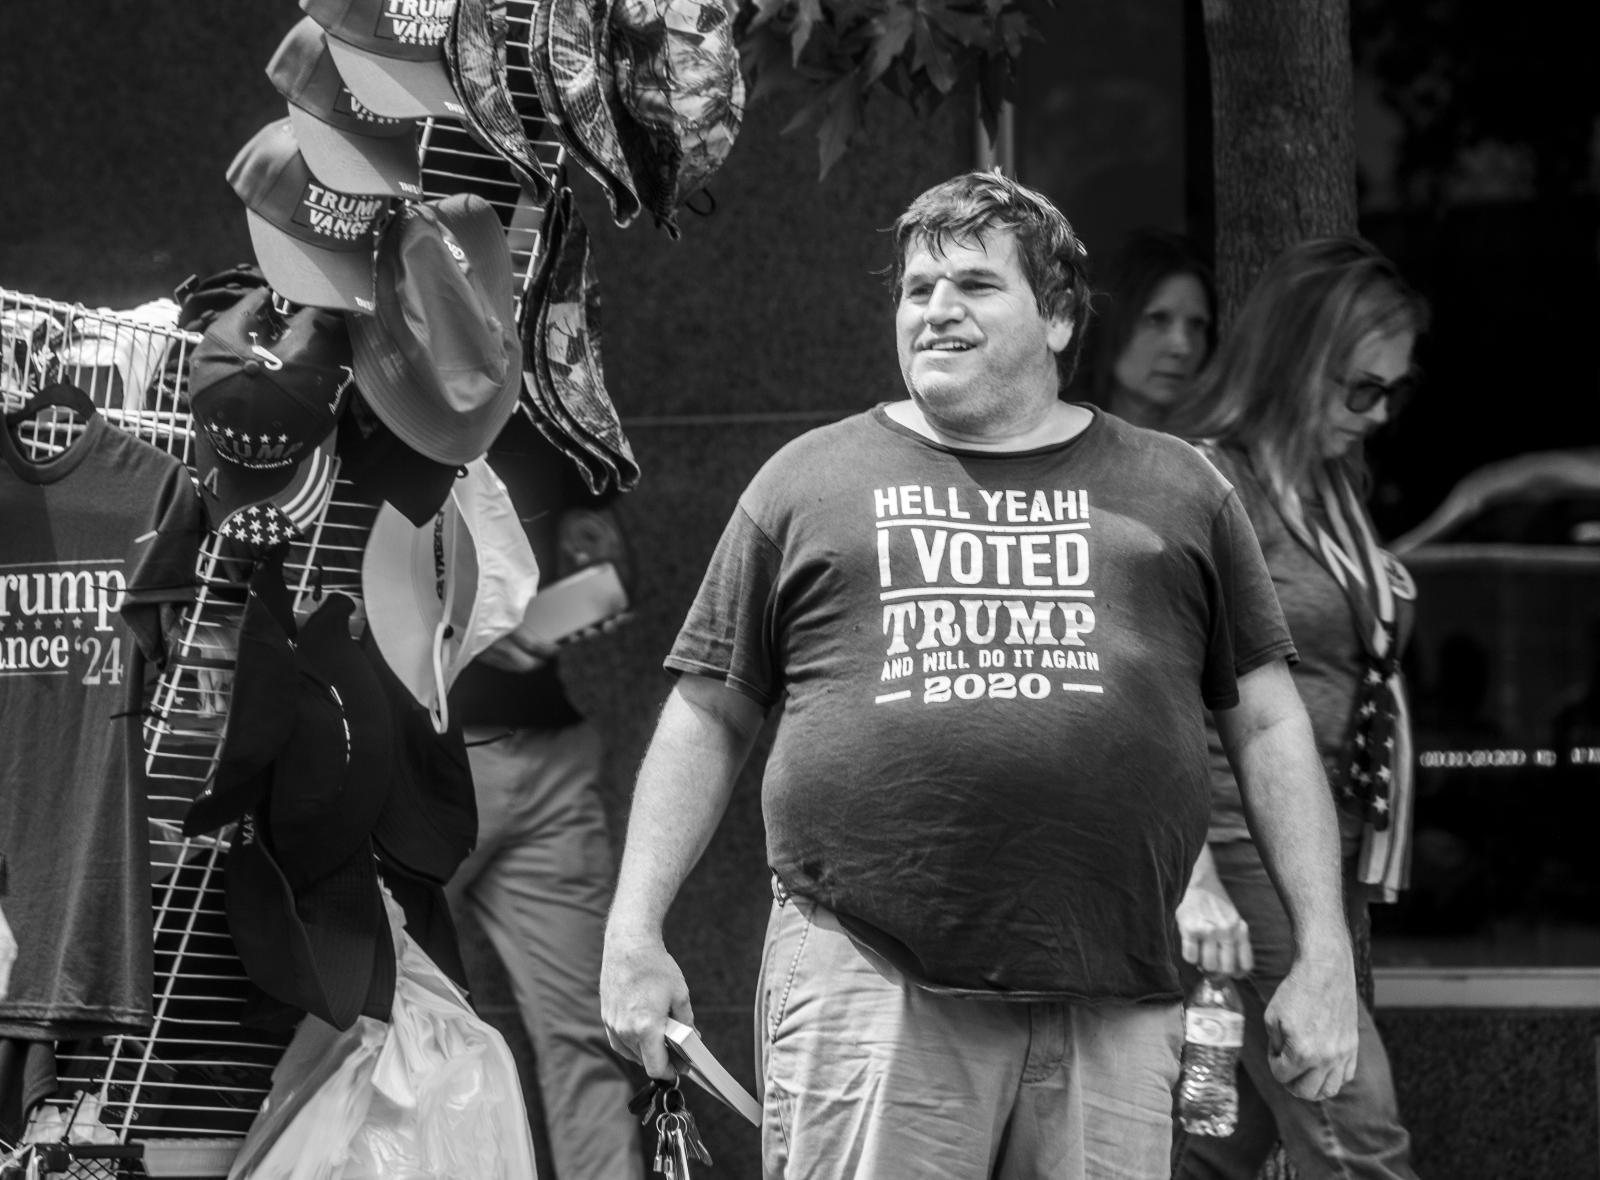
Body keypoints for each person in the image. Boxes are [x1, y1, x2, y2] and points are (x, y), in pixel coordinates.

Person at [599, 170, 1359, 1180]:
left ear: (1056, 318)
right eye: (915, 289)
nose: (935, 309)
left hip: (1115, 991)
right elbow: (706, 714)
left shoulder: (1178, 488)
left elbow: (1268, 726)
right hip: (871, 980)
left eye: (972, 284)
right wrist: (634, 927)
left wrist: (1322, 952)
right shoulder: (806, 482)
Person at [1167, 236, 1427, 1180]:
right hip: (1246, 850)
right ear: (1297, 362)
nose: (1378, 413)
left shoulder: (1329, 487)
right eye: (1360, 388)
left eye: (1394, 392)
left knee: (1229, 1142)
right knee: (1354, 1133)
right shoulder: (1208, 479)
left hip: (1324, 851)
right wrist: (1193, 876)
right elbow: (1154, 690)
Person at [446, 412, 643, 1180]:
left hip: (550, 763)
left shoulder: (543, 421)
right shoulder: (363, 411)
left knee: (588, 1038)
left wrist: (531, 623)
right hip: (429, 764)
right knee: (368, 1018)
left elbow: (614, 576)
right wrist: (470, 634)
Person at [1080, 229, 1217, 429]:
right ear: (1109, 321)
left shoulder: (1214, 456)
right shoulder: (1056, 445)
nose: (1182, 347)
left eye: (1197, 324)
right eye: (1157, 319)